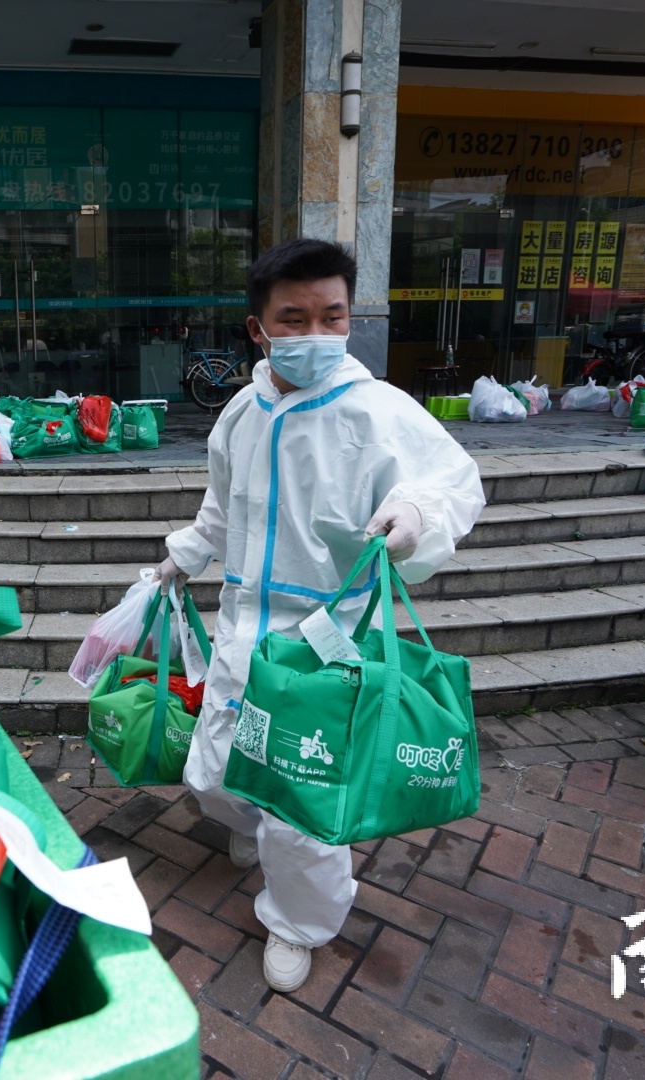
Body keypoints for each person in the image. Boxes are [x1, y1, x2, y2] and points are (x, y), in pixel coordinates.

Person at [153, 238, 485, 993]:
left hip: (323, 645)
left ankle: (298, 923)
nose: (315, 336)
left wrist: (411, 515)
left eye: (331, 317)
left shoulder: (377, 411)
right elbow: (219, 505)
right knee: (211, 772)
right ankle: (253, 827)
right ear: (258, 329)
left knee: (303, 802)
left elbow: (452, 484)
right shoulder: (240, 412)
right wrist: (184, 555)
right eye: (293, 319)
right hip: (245, 627)